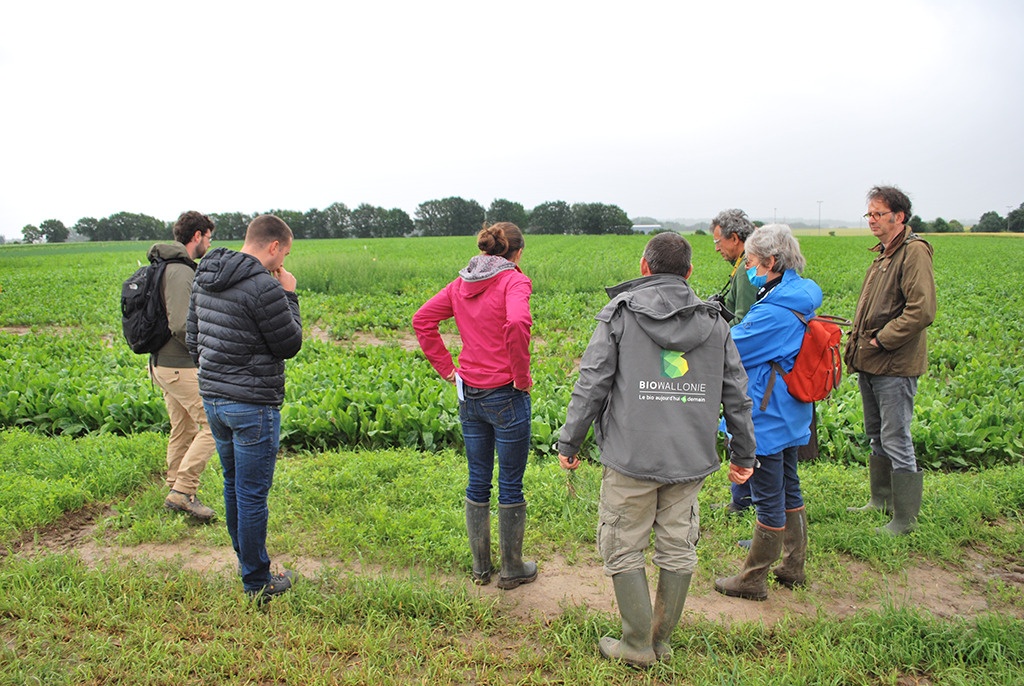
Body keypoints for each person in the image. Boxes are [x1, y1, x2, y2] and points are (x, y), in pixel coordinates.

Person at [558, 232, 756, 668]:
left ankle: (636, 645)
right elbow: (736, 395)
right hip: (689, 460)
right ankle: (659, 641)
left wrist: (570, 440)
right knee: (677, 545)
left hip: (631, 457)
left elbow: (592, 382)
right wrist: (744, 454)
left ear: (644, 269)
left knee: (622, 544)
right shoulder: (716, 322)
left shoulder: (621, 314)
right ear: (688, 273)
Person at [412, 222, 538, 591]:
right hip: (505, 394)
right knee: (510, 483)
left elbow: (423, 320)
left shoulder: (461, 283)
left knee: (478, 479)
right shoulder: (514, 281)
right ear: (516, 253)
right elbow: (516, 320)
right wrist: (521, 375)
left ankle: (481, 568)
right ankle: (512, 569)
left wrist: (448, 370)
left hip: (470, 395)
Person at [187, 214, 303, 601]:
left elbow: (192, 339)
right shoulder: (263, 287)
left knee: (234, 486)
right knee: (252, 494)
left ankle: (248, 564)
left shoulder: (205, 275)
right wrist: (289, 293)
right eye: (284, 253)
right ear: (274, 246)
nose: (282, 260)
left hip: (215, 400)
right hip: (252, 406)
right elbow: (289, 344)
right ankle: (257, 581)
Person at [714, 224, 821, 602]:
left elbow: (731, 348)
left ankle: (752, 579)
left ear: (772, 262)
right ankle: (793, 565)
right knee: (789, 485)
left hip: (766, 415)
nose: (750, 269)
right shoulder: (796, 294)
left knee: (768, 493)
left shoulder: (774, 313)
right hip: (789, 411)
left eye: (754, 262)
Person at [845, 186, 936, 535]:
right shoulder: (885, 253)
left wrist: (882, 339)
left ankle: (905, 519)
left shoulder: (913, 252)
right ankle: (881, 499)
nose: (871, 220)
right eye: (868, 214)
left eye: (877, 214)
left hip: (895, 363)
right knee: (876, 435)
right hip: (871, 361)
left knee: (896, 436)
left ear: (898, 217)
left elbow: (921, 310)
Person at [150, 211, 217, 522]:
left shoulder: (163, 266)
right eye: (209, 237)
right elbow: (180, 324)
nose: (209, 242)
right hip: (179, 365)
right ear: (197, 236)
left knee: (184, 427)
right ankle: (183, 491)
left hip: (163, 364)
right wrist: (204, 351)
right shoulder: (179, 271)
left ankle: (174, 485)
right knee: (213, 426)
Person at [709, 209, 760, 516]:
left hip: (746, 362)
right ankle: (741, 499)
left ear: (735, 238)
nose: (717, 248)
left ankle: (743, 501)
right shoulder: (745, 265)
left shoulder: (746, 270)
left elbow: (743, 322)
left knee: (742, 425)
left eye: (719, 241)